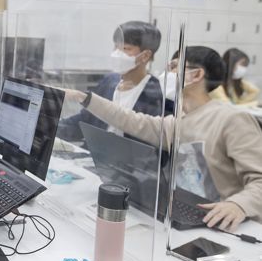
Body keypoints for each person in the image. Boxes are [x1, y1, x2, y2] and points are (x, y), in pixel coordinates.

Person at [64, 46, 262, 231]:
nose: (166, 74)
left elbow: (259, 180)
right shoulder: (176, 122)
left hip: (228, 224)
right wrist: (84, 98)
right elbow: (129, 119)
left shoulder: (232, 119)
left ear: (197, 75)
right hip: (187, 218)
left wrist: (238, 204)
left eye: (174, 67)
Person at [57, 21, 164, 142]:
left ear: (145, 56)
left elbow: (150, 142)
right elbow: (85, 119)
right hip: (94, 156)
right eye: (116, 47)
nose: (117, 53)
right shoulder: (109, 81)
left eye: (125, 48)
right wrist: (51, 127)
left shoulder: (156, 94)